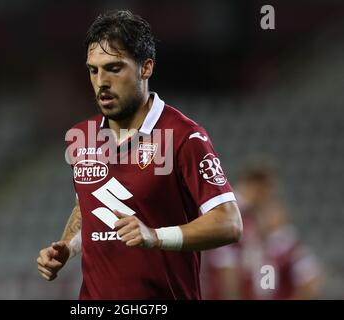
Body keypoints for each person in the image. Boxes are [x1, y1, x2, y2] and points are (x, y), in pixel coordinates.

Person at [37, 10, 243, 300]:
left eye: (114, 68)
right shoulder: (82, 137)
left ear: (146, 68)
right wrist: (66, 247)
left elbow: (229, 223)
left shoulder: (183, 136)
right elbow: (88, 206)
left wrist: (156, 236)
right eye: (93, 70)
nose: (101, 82)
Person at [203, 158, 322, 299]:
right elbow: (227, 267)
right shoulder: (232, 215)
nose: (269, 196)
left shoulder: (255, 218)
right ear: (259, 186)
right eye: (269, 190)